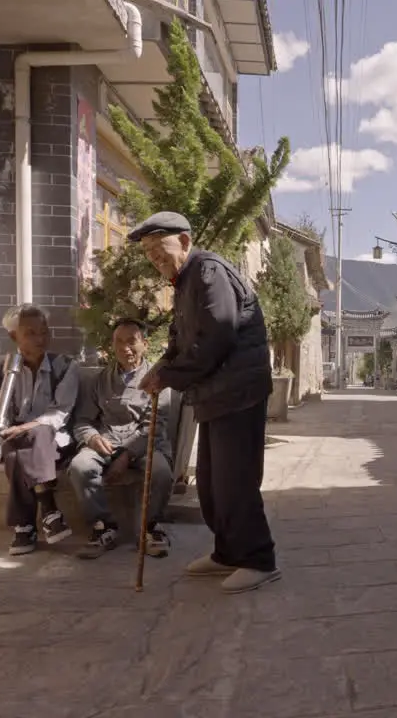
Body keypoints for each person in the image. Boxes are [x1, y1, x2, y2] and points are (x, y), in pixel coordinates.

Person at [130, 211, 279, 595]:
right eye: (147, 252)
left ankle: (259, 559)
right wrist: (162, 367)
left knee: (236, 480)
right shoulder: (184, 281)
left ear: (183, 240)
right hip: (215, 393)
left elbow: (219, 334)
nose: (154, 257)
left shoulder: (207, 271)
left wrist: (171, 376)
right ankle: (228, 552)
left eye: (158, 247)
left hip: (238, 390)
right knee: (213, 483)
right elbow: (182, 339)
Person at [0, 303, 80, 556]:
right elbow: (2, 416)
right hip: (18, 439)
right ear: (13, 336)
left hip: (53, 441)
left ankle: (24, 526)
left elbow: (59, 414)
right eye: (31, 333)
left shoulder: (65, 366)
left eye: (44, 332)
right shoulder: (0, 370)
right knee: (15, 449)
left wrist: (27, 426)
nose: (40, 338)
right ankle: (49, 512)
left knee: (30, 439)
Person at [67, 318, 174, 560]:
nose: (126, 348)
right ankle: (103, 527)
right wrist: (92, 438)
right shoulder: (99, 380)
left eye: (132, 341)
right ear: (112, 346)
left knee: (160, 471)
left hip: (145, 444)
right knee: (80, 466)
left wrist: (126, 455)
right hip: (106, 441)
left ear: (144, 344)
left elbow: (154, 427)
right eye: (119, 342)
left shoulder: (158, 381)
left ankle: (150, 528)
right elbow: (83, 420)